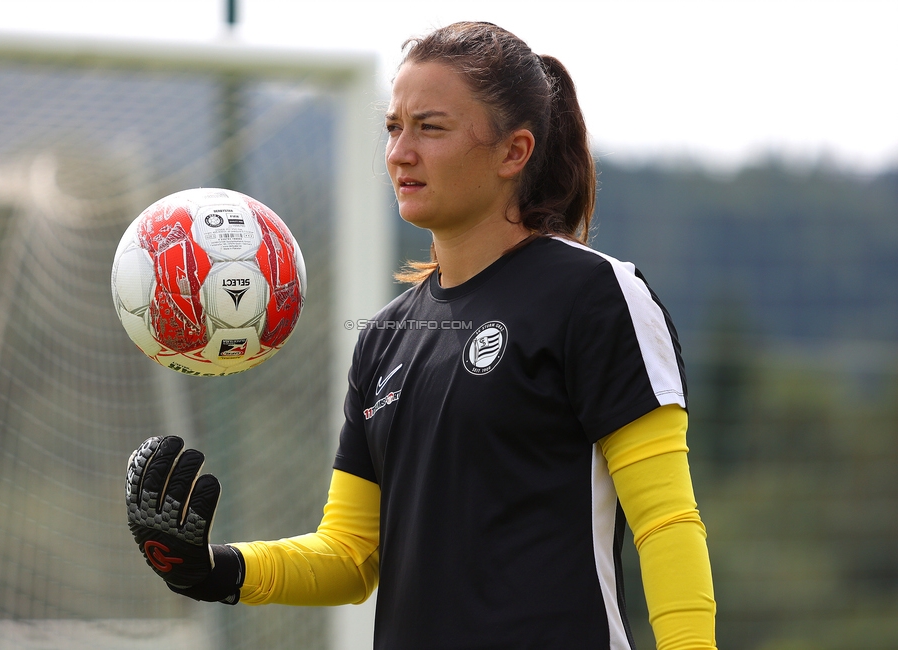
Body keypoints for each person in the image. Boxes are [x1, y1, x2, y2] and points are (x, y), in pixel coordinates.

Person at [126, 21, 717, 650]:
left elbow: (666, 522)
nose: (400, 152)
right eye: (393, 128)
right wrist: (216, 569)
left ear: (514, 152)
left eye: (430, 128)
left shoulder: (593, 295)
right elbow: (350, 555)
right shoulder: (384, 337)